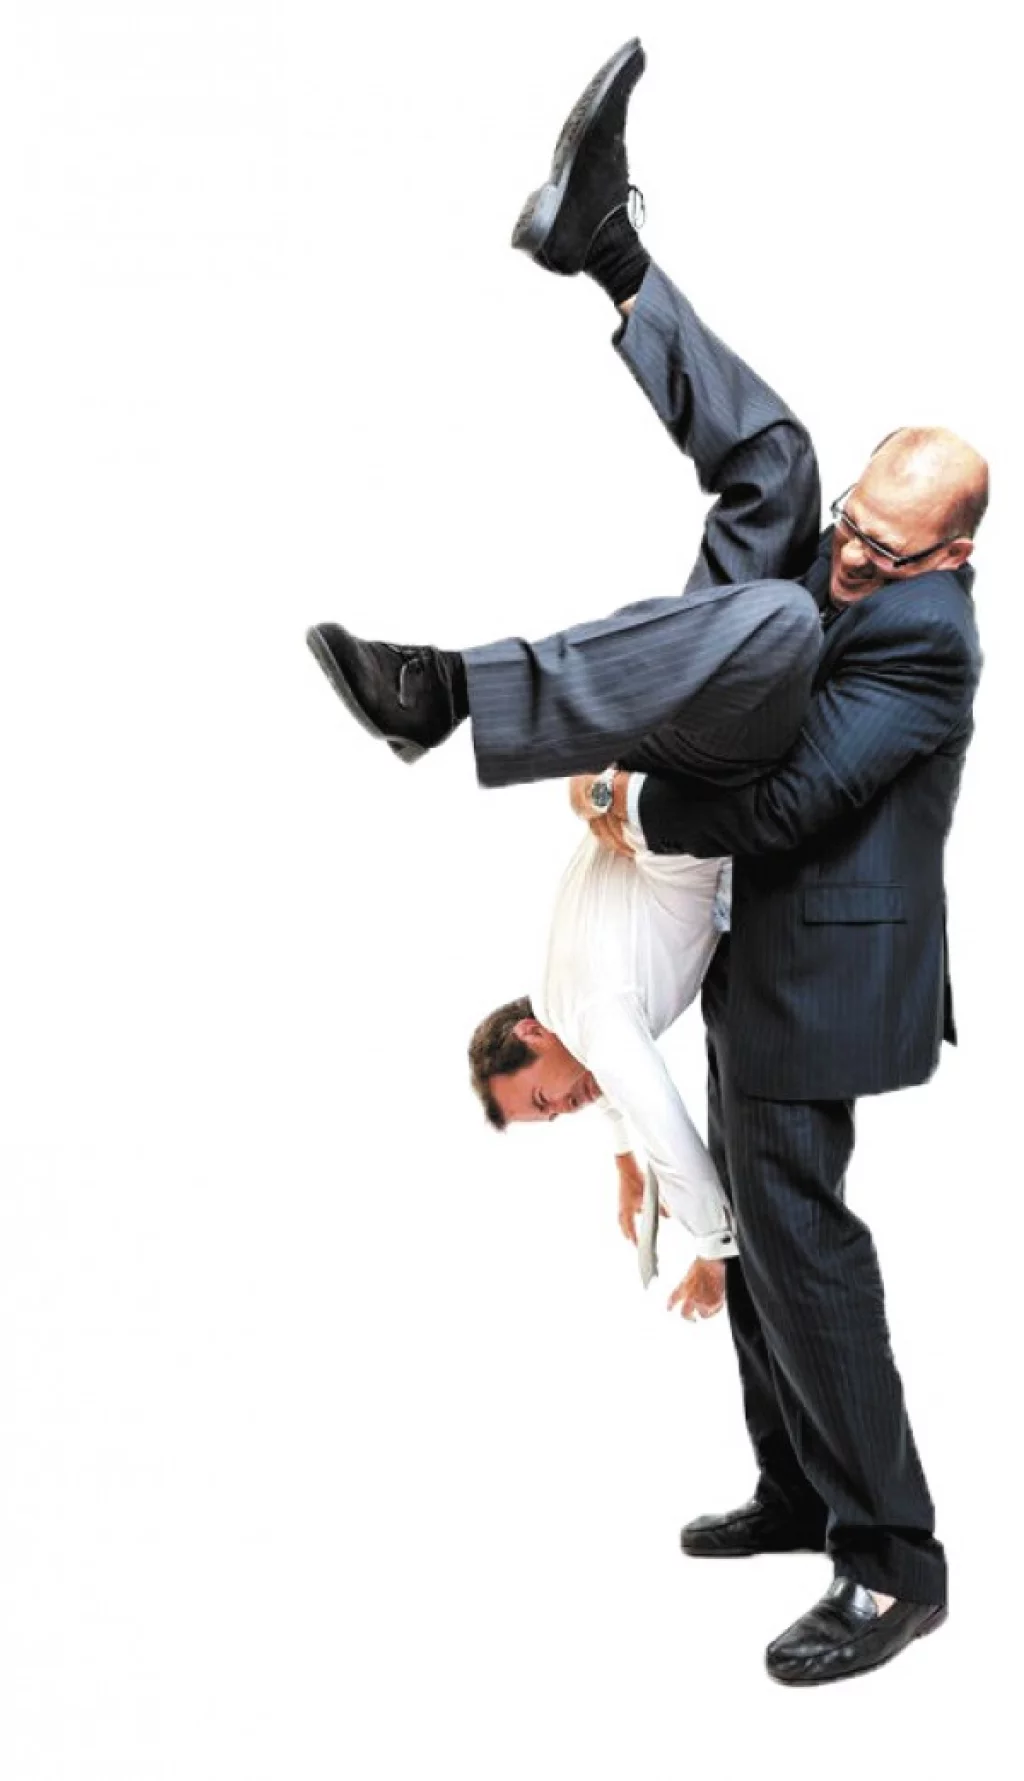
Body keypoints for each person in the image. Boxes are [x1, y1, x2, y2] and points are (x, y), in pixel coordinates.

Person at [306, 39, 987, 1687]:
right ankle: (605, 245)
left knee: (798, 1244)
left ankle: (891, 1565)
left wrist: (625, 787)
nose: (848, 555)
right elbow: (797, 550)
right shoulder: (840, 551)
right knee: (771, 465)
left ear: (950, 557)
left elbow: (782, 807)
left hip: (816, 967)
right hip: (745, 926)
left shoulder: (926, 650)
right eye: (854, 531)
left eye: (880, 551)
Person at [467, 831, 736, 1323]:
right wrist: (623, 1161)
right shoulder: (555, 996)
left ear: (530, 1033)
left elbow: (658, 1119)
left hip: (708, 826)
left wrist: (712, 1250)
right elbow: (603, 1082)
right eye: (550, 1116)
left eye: (544, 1099)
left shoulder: (590, 1013)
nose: (565, 1108)